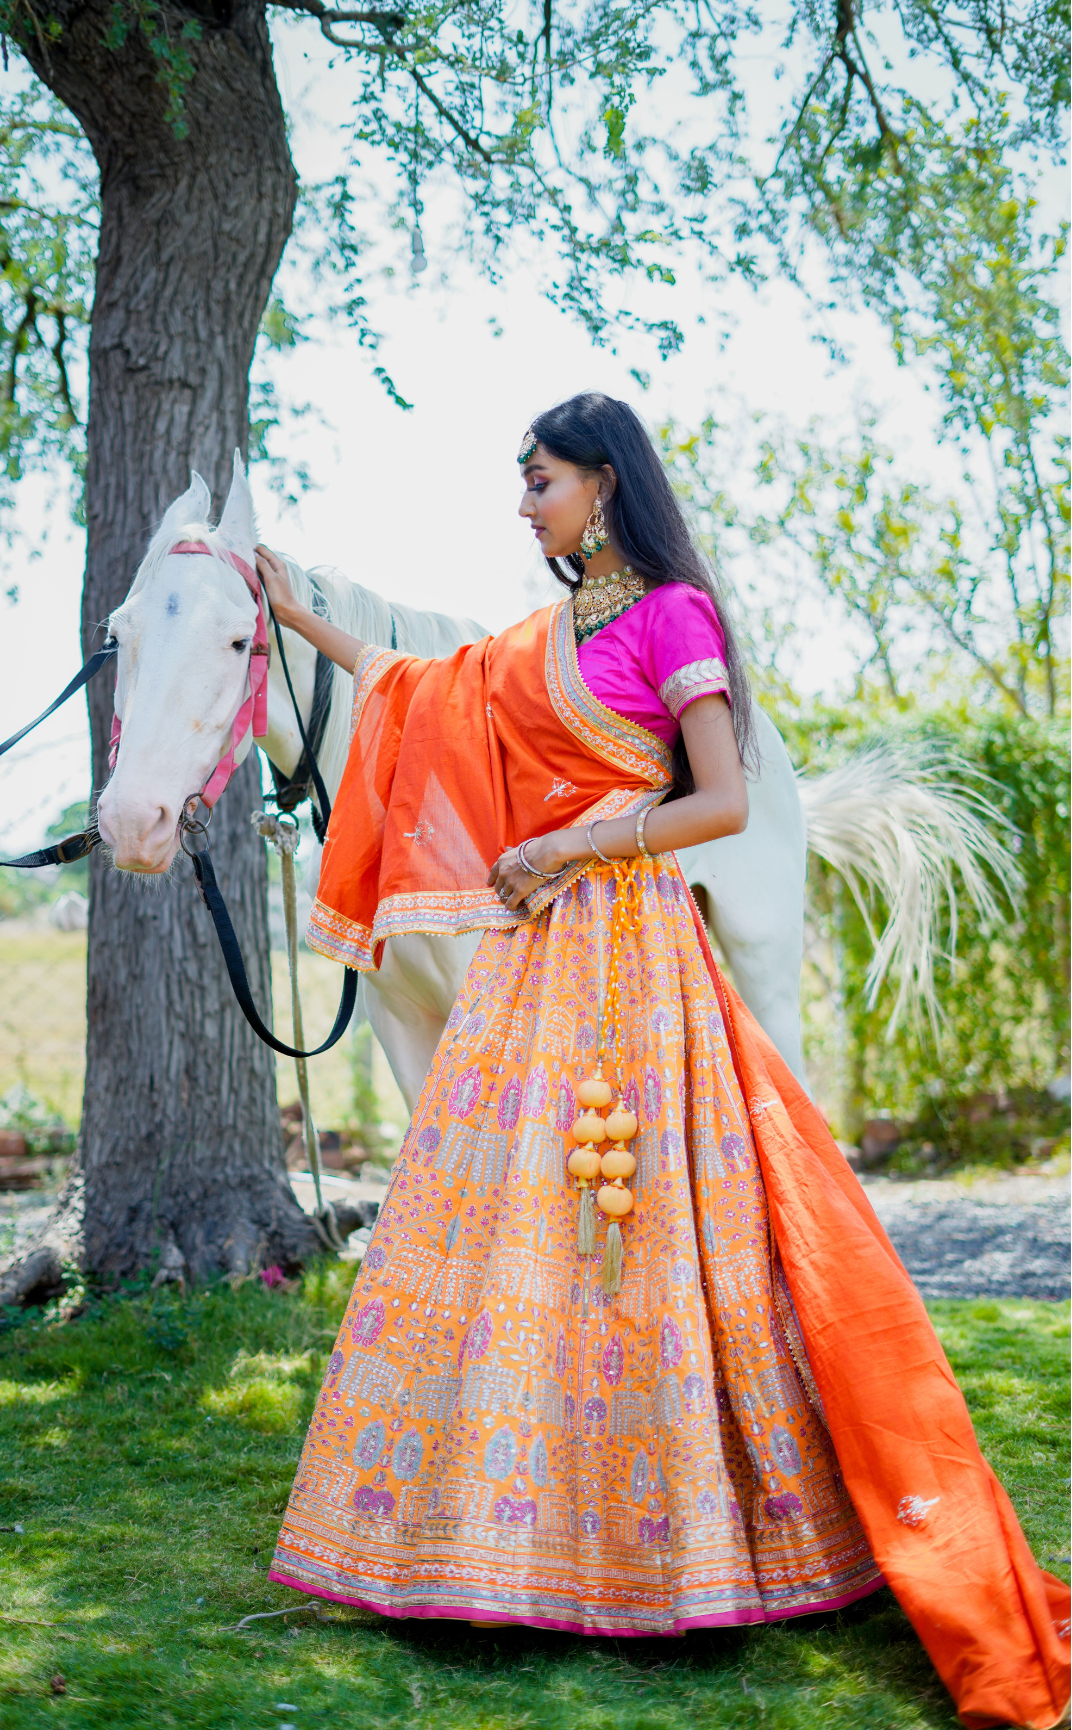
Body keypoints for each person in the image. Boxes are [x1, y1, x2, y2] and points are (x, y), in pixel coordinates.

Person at [256, 393, 1068, 1729]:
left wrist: (574, 845)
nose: (524, 505)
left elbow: (722, 799)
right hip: (534, 967)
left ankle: (683, 1537)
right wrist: (296, 616)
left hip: (636, 953)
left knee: (644, 1223)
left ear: (603, 484)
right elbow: (413, 694)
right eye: (522, 483)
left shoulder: (671, 618)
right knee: (508, 1229)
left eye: (539, 480)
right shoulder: (540, 642)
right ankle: (505, 1536)